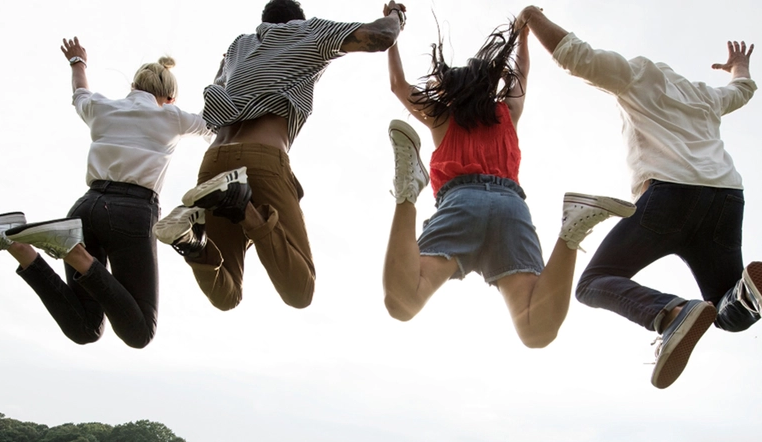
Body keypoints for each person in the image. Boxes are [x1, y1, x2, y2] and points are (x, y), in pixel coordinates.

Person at [519, 7, 760, 387]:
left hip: (670, 197)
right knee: (728, 308)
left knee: (593, 282)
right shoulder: (704, 96)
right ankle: (747, 294)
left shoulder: (637, 73)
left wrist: (531, 16)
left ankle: (670, 313)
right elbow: (741, 91)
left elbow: (574, 55)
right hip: (725, 199)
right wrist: (739, 66)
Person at [381, 11, 636, 348]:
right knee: (536, 331)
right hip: (510, 208)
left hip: (461, 202)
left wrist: (392, 29)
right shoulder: (507, 112)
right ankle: (572, 230)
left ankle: (407, 192)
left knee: (403, 302)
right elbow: (522, 73)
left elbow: (397, 84)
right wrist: (523, 37)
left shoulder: (442, 116)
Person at [153, 0, 409, 311]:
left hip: (214, 161)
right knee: (301, 290)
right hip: (261, 158)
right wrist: (396, 15)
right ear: (297, 20)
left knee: (227, 294)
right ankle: (242, 206)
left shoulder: (237, 48)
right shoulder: (310, 31)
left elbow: (216, 91)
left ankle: (191, 241)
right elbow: (382, 36)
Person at [0, 38, 209, 348]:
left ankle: (17, 245)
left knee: (85, 328)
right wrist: (225, 72)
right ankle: (74, 252)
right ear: (170, 98)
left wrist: (77, 61)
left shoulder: (103, 107)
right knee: (140, 332)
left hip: (85, 209)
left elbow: (80, 92)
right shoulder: (171, 116)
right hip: (131, 213)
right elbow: (213, 122)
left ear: (132, 86)